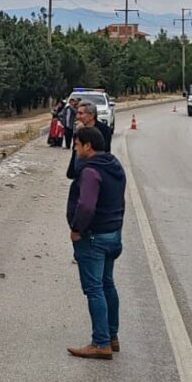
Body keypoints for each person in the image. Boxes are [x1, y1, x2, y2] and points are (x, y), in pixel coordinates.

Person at [66, 127, 125, 360]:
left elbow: (87, 205)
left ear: (88, 145)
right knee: (107, 284)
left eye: (77, 145)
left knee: (94, 289)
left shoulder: (91, 171)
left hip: (93, 237)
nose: (75, 149)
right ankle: (112, 335)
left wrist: (76, 229)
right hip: (113, 234)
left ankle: (100, 343)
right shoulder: (113, 164)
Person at [66, 100, 113, 180]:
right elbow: (75, 151)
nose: (77, 116)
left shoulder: (104, 130)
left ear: (91, 115)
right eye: (77, 113)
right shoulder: (79, 129)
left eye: (81, 113)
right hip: (78, 170)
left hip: (95, 172)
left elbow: (104, 151)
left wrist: (85, 131)